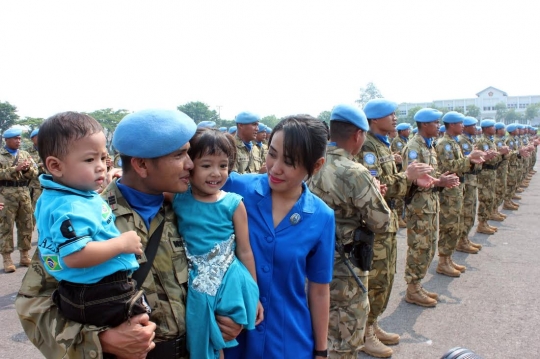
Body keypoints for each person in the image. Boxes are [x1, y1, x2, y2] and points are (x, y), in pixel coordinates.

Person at [16, 109, 242, 359]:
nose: (190, 164)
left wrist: (226, 315)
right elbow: (34, 303)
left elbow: (216, 268)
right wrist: (100, 340)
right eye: (179, 155)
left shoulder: (187, 211)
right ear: (142, 164)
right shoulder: (86, 219)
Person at [224, 114, 335, 359]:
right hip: (232, 335)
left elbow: (318, 289)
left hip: (288, 340)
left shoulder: (321, 216)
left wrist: (321, 350)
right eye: (272, 154)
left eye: (290, 161)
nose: (275, 168)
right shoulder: (235, 189)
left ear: (315, 166)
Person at [34, 112, 150, 328]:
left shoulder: (56, 196)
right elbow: (76, 257)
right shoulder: (71, 206)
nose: (100, 166)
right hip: (101, 290)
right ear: (56, 166)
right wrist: (122, 244)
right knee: (138, 332)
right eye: (89, 159)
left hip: (75, 288)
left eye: (103, 158)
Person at [308, 104, 392, 359]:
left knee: (322, 330)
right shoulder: (355, 172)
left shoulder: (313, 164)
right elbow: (382, 222)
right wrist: (375, 193)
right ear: (357, 135)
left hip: (314, 263)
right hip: (347, 268)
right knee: (346, 337)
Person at [170, 128, 262, 359]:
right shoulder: (177, 196)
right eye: (206, 165)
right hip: (196, 280)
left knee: (220, 333)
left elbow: (245, 250)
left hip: (229, 279)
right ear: (190, 166)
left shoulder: (233, 203)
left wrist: (255, 293)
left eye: (223, 165)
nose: (216, 173)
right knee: (203, 338)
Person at [356, 99, 433, 358]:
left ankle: (373, 324)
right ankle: (365, 333)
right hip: (374, 223)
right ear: (374, 119)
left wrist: (408, 180)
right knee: (375, 278)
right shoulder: (368, 145)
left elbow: (390, 187)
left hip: (386, 221)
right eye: (389, 114)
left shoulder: (381, 145)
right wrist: (406, 177)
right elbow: (377, 188)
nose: (395, 118)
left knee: (385, 277)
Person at [402, 108, 460, 307]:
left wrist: (438, 181)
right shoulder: (414, 147)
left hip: (430, 204)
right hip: (419, 207)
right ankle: (412, 289)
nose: (439, 126)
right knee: (419, 247)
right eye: (435, 122)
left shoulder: (429, 146)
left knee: (428, 246)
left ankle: (417, 285)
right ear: (424, 125)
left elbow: (429, 176)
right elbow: (414, 179)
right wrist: (439, 182)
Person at [434, 112, 485, 278]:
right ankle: (443, 261)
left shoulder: (453, 143)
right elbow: (449, 166)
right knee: (448, 225)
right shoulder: (444, 144)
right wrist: (469, 159)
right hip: (448, 189)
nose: (462, 126)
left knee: (455, 223)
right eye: (460, 123)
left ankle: (448, 259)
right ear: (451, 124)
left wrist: (471, 160)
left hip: (457, 187)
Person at [0, 127, 37, 272]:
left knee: (26, 225)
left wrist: (27, 169)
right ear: (6, 140)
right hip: (5, 193)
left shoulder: (25, 154)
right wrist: (15, 169)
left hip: (23, 192)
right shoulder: (1, 155)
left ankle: (24, 255)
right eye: (15, 138)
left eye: (20, 138)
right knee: (5, 227)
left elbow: (34, 174)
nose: (18, 141)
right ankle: (7, 259)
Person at [457, 116, 484, 250]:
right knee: (466, 211)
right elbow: (463, 161)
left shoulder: (469, 140)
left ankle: (465, 238)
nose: (475, 128)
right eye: (472, 125)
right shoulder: (462, 141)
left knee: (471, 210)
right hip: (466, 180)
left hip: (472, 179)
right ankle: (461, 241)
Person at [475, 119, 505, 234]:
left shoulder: (490, 140)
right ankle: (482, 224)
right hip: (485, 173)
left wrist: (500, 155)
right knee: (485, 198)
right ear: (486, 128)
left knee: (491, 197)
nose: (495, 128)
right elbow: (489, 158)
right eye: (492, 126)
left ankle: (486, 221)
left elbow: (494, 157)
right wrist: (500, 154)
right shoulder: (483, 142)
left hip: (491, 173)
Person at [27, 128, 45, 214]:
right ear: (32, 139)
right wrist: (40, 165)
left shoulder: (49, 150)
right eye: (37, 137)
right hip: (34, 184)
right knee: (35, 209)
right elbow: (28, 166)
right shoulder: (27, 152)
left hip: (48, 182)